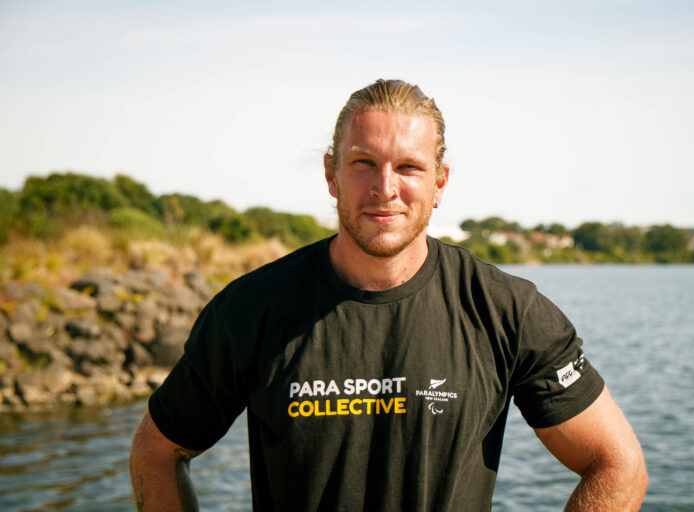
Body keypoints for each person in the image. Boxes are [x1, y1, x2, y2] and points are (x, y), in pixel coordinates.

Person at [130, 79, 647, 511]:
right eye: (362, 163)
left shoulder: (506, 311)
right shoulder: (251, 310)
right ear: (331, 173)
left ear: (440, 182)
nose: (384, 186)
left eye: (408, 167)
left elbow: (617, 463)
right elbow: (157, 450)